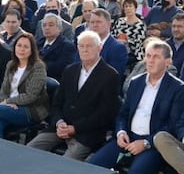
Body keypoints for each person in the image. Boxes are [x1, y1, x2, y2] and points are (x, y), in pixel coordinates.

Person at [89, 39, 184, 174]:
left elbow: (173, 125)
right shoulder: (136, 82)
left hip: (155, 144)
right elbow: (123, 114)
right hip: (128, 137)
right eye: (148, 56)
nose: (150, 60)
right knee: (93, 165)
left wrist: (146, 143)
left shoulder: (178, 88)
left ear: (168, 61)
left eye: (156, 57)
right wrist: (120, 132)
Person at [27, 30, 120, 160]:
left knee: (66, 164)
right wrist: (59, 122)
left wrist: (75, 128)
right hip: (60, 128)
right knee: (29, 149)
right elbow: (57, 103)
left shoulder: (110, 75)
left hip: (86, 133)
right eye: (81, 46)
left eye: (89, 46)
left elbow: (105, 113)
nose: (85, 49)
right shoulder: (70, 70)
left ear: (99, 48)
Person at [0, 33, 49, 138]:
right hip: (9, 107)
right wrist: (6, 103)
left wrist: (8, 102)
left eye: (26, 47)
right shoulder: (11, 64)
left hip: (31, 110)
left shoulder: (38, 67)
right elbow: (3, 90)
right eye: (19, 45)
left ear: (32, 50)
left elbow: (31, 96)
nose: (22, 49)